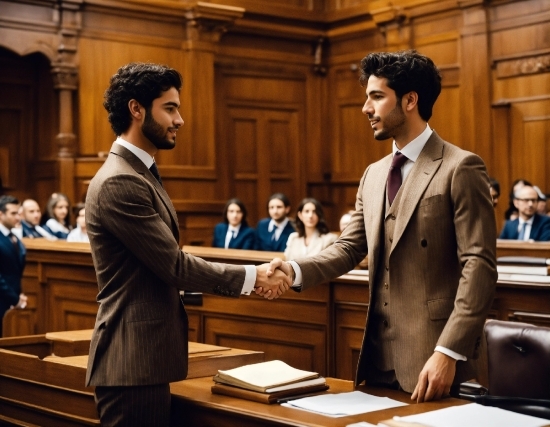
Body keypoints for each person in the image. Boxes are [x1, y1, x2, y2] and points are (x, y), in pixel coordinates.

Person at [267, 50, 497, 403]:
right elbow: (347, 248)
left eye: (376, 97)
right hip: (376, 360)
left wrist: (449, 351)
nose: (365, 108)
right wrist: (293, 271)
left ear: (409, 100)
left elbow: (478, 266)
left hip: (434, 360)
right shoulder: (373, 175)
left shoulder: (461, 167)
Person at [85, 62, 289, 426]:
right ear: (137, 109)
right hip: (132, 364)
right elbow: (174, 266)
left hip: (142, 361)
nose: (179, 119)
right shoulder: (120, 181)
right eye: (170, 108)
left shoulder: (137, 172)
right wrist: (254, 276)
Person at [0, 195, 27, 337]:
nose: (18, 217)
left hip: (11, 301)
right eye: (13, 213)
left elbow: (16, 271)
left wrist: (19, 295)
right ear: (1, 214)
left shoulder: (14, 237)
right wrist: (14, 298)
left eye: (19, 213)